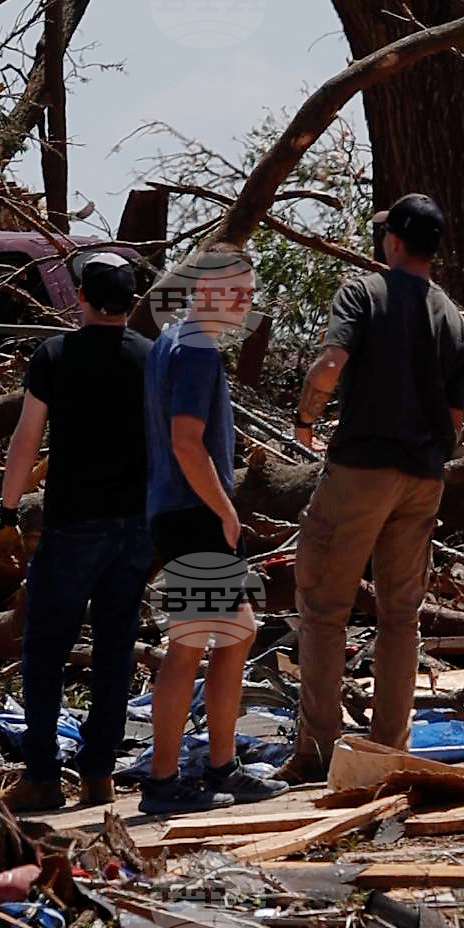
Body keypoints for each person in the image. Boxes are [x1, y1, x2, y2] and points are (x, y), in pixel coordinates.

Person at [281, 194, 464, 786]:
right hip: (422, 478)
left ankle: (317, 751)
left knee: (321, 609)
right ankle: (390, 749)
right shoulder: (456, 319)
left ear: (393, 241)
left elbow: (331, 362)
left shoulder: (363, 292)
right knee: (401, 616)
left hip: (361, 468)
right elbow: (455, 419)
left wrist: (306, 420)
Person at [133, 245, 288, 816]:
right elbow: (184, 440)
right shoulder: (196, 349)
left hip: (176, 510)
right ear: (203, 289)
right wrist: (225, 510)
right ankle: (164, 781)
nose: (244, 303)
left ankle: (220, 764)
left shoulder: (169, 342)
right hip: (194, 511)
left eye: (249, 294)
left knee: (238, 631)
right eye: (236, 291)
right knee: (190, 643)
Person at [0, 253, 152, 814]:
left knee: (45, 648)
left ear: (81, 297)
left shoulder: (55, 355)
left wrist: (7, 508)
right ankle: (99, 773)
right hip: (135, 526)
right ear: (130, 303)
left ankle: (42, 774)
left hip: (71, 525)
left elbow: (27, 437)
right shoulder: (151, 359)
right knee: (114, 648)